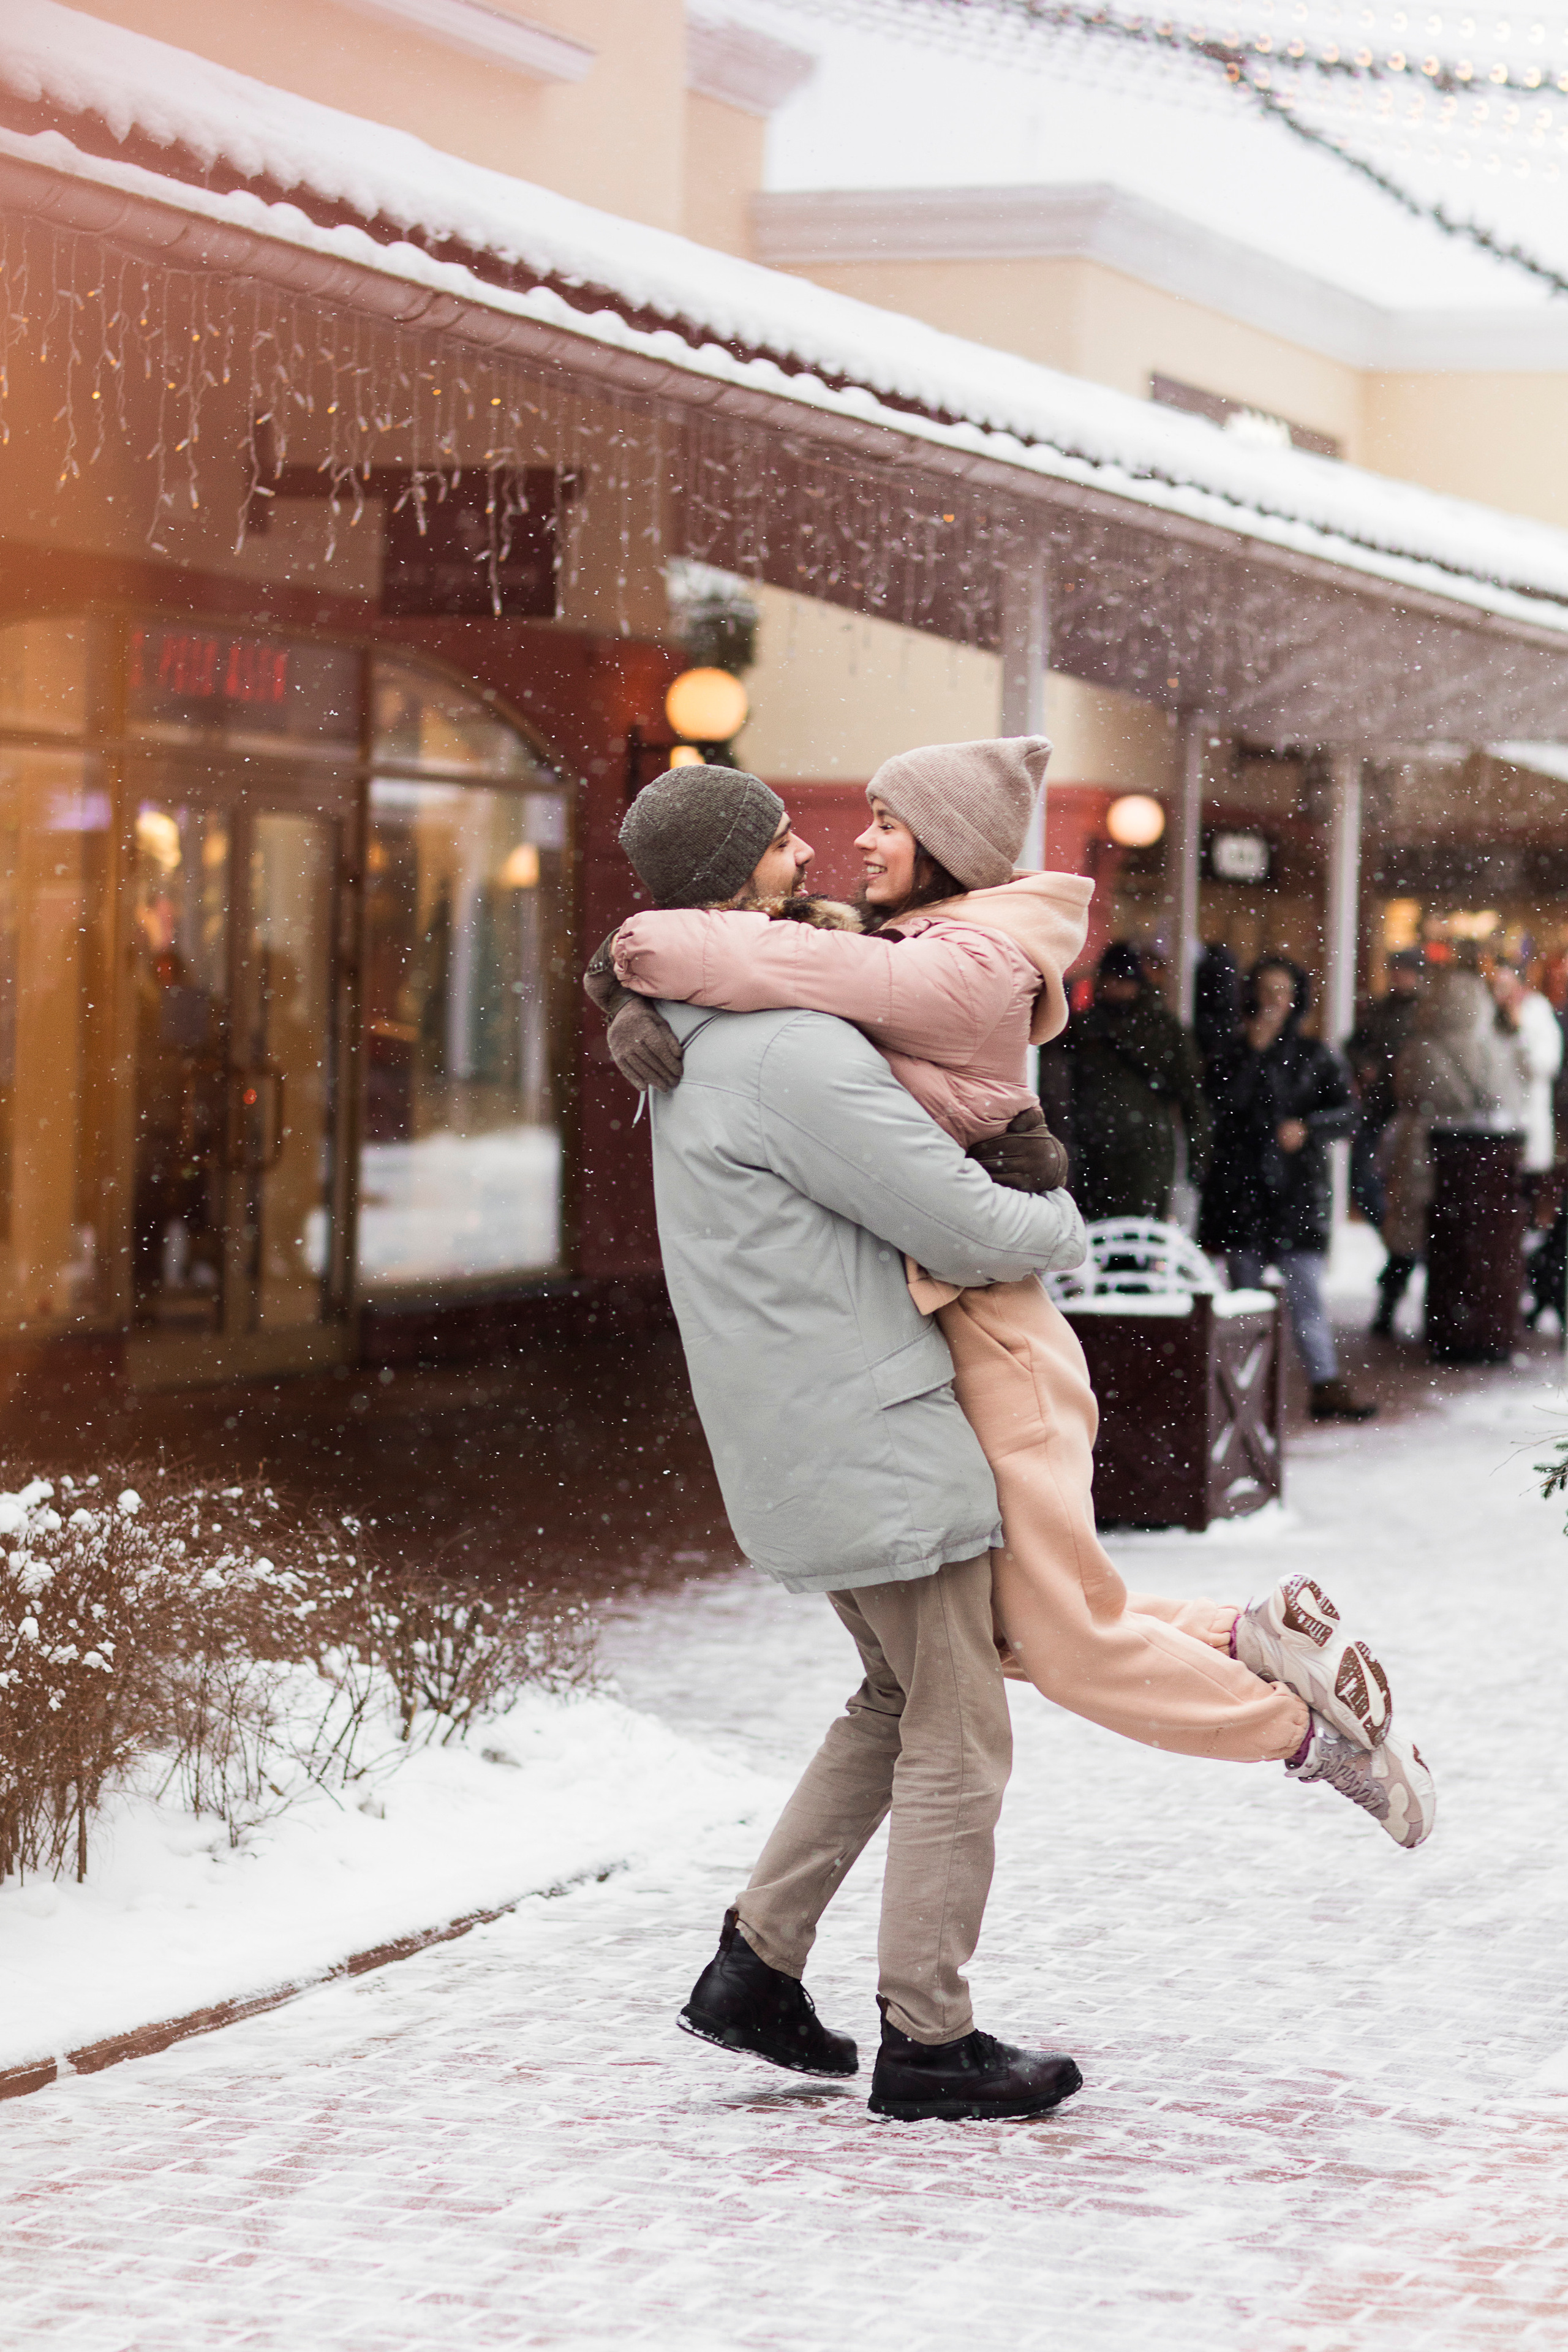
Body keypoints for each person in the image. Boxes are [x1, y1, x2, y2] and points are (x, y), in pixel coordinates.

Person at [608, 748, 1432, 1855]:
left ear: (945, 843)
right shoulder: (902, 944)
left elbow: (728, 951)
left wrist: (630, 962)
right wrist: (625, 996)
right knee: (1013, 1627)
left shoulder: (966, 963)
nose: (855, 842)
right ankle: (1258, 1632)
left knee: (1064, 1644)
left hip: (999, 1331)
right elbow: (757, 951)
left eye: (888, 822)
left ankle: (1318, 1744)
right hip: (949, 1328)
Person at [594, 760, 1090, 2124]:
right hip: (866, 1425)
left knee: (893, 1697)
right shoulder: (788, 1052)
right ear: (733, 875)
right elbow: (963, 1226)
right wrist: (1060, 1217)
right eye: (777, 841)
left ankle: (755, 1969)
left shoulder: (693, 1031)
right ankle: (929, 2039)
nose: (808, 852)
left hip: (791, 1422)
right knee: (959, 1730)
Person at [1199, 957, 1377, 1422]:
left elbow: (1349, 1114)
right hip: (1242, 1195)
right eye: (1266, 990)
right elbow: (1218, 1107)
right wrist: (1252, 1054)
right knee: (1245, 1306)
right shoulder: (1230, 1053)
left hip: (1297, 1196)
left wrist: (1308, 1128)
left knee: (1306, 1298)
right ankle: (1244, 1393)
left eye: (1283, 991)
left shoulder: (1315, 1056)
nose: (1274, 1001)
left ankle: (1324, 1384)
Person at [1376, 964, 1526, 1338]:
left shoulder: (1419, 1048)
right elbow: (1501, 1096)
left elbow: (1406, 1092)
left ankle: (1391, 1308)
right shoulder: (1488, 1049)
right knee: (1455, 1238)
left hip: (1422, 1147)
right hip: (1470, 1154)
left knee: (1411, 1233)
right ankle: (1448, 1315)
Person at [1041, 940, 1210, 1224]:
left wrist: (1199, 1157)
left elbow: (1191, 1095)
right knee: (1093, 1233)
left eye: (1122, 980)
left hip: (1143, 1153)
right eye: (1109, 979)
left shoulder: (1162, 1029)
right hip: (1091, 1150)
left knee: (1137, 1234)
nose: (1114, 987)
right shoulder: (1085, 1027)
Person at [1346, 950, 1423, 1232]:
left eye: (1403, 971)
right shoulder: (1380, 1010)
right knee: (1363, 1174)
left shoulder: (1424, 1014)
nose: (1397, 976)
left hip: (1409, 1106)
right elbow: (1355, 1046)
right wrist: (1366, 1066)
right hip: (1379, 1103)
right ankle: (1388, 1229)